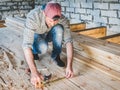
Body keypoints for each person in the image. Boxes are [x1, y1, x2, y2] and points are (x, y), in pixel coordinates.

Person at [22, 1, 74, 86]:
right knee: (43, 47)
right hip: (37, 33)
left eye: (56, 21)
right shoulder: (33, 17)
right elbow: (26, 45)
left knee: (59, 29)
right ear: (44, 14)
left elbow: (69, 41)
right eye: (50, 20)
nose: (53, 23)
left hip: (48, 33)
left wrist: (69, 66)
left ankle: (56, 55)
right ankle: (35, 52)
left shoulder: (63, 19)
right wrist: (34, 72)